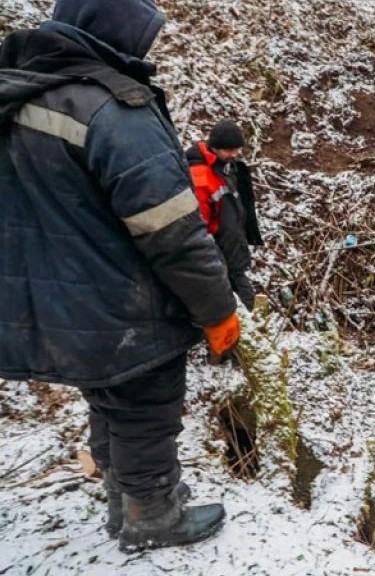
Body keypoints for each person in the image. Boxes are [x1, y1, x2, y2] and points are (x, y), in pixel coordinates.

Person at [0, 0, 239, 552]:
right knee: (147, 405)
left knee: (108, 396)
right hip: (119, 296)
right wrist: (217, 309)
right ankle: (152, 516)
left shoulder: (18, 91)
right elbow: (173, 232)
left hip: (50, 297)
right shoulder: (113, 109)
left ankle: (122, 497)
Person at [186, 120, 264, 311]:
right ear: (215, 148)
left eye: (237, 149)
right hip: (218, 249)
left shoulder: (225, 167)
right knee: (236, 295)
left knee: (240, 288)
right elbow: (198, 223)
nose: (235, 155)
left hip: (231, 244)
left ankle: (254, 323)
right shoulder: (200, 177)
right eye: (230, 150)